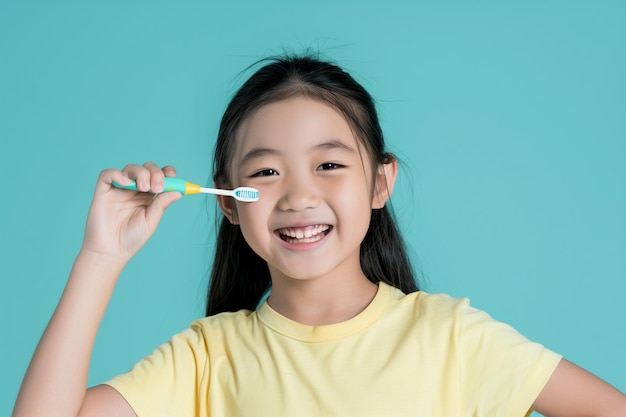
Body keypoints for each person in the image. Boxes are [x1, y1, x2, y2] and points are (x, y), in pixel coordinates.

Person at [13, 55, 626, 417]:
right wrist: (101, 257)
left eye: (329, 164)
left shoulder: (453, 339)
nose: (299, 196)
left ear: (380, 183)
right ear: (228, 201)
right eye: (265, 171)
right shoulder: (207, 357)